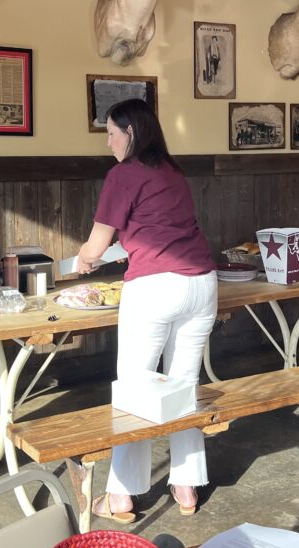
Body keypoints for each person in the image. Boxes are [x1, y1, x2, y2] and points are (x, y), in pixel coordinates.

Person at [76, 98, 217, 521]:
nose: (108, 142)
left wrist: (84, 259)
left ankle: (120, 495)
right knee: (184, 387)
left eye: (112, 133)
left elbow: (96, 243)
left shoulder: (124, 173)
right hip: (201, 285)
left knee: (136, 391)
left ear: (130, 133)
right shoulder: (172, 171)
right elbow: (160, 230)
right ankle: (187, 486)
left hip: (156, 288)